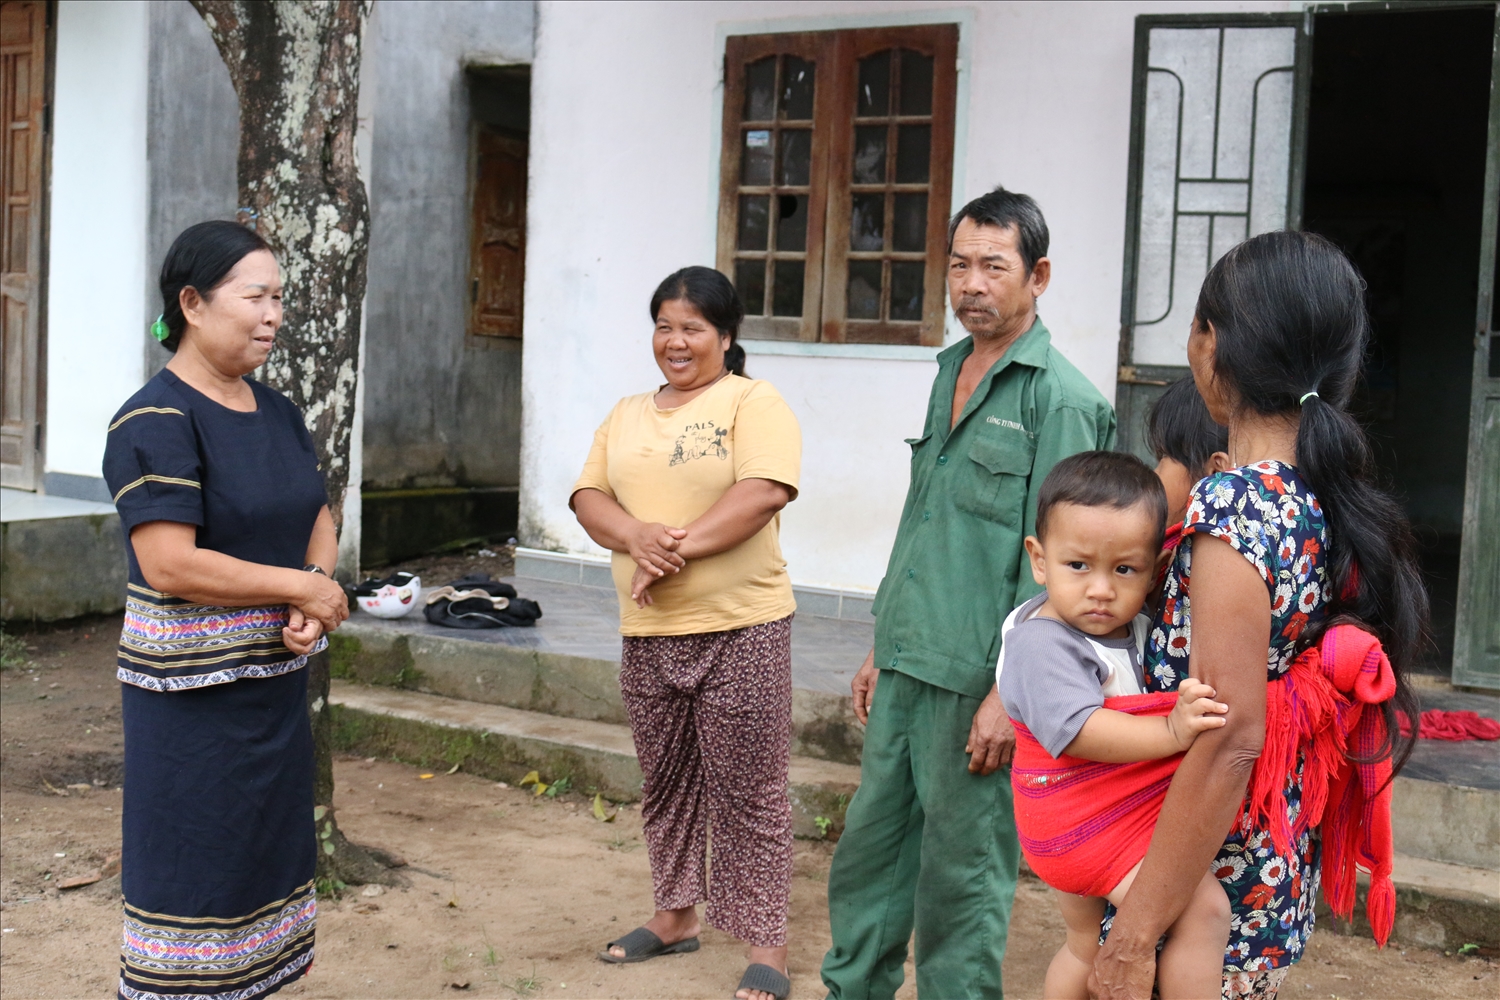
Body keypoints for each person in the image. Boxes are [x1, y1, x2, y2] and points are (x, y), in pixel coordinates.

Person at [1090, 230, 1425, 1000]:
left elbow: (1230, 736)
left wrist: (1138, 931)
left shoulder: (1237, 503)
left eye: (1197, 331)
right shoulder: (1324, 494)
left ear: (1212, 351)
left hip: (1204, 874)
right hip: (1271, 855)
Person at [820, 187, 1117, 999]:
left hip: (977, 685)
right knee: (871, 857)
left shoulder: (1060, 400)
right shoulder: (950, 368)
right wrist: (883, 643)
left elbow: (1064, 573)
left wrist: (1009, 696)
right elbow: (924, 519)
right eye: (959, 265)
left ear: (1038, 276)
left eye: (994, 266)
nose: (972, 284)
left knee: (960, 882)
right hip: (911, 659)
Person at [103, 220, 350, 1000]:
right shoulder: (154, 420)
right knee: (194, 875)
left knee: (261, 870)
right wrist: (298, 589)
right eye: (255, 296)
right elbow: (169, 563)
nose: (273, 313)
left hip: (272, 690)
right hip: (191, 711)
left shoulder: (275, 411)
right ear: (193, 304)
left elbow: (319, 510)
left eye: (279, 297)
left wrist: (312, 584)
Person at [571, 266, 803, 1000]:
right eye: (665, 325)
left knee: (752, 792)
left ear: (726, 337)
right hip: (648, 631)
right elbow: (587, 496)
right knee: (666, 783)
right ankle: (675, 916)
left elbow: (762, 492)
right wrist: (638, 538)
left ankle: (767, 946)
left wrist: (666, 551)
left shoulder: (753, 402)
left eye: (693, 328)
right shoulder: (627, 411)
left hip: (744, 627)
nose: (676, 341)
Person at [996, 451, 1230, 1000]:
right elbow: (1079, 731)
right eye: (1078, 566)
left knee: (1084, 944)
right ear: (1038, 558)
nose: (1101, 589)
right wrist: (1171, 732)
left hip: (1084, 820)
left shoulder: (1133, 628)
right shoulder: (1041, 641)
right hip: (1075, 820)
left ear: (1152, 572)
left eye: (1124, 569)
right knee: (1204, 909)